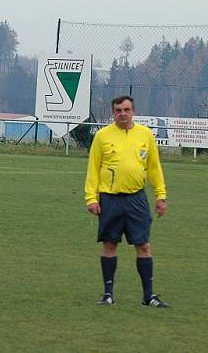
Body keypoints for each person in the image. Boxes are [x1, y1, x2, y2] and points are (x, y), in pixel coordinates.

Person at [85, 95, 170, 308]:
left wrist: (161, 195)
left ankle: (148, 296)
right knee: (109, 244)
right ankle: (108, 294)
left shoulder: (145, 135)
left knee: (143, 245)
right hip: (110, 199)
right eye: (118, 110)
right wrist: (91, 198)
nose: (123, 113)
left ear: (133, 111)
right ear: (113, 113)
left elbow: (154, 167)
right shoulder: (102, 136)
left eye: (126, 109)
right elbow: (93, 168)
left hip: (136, 199)